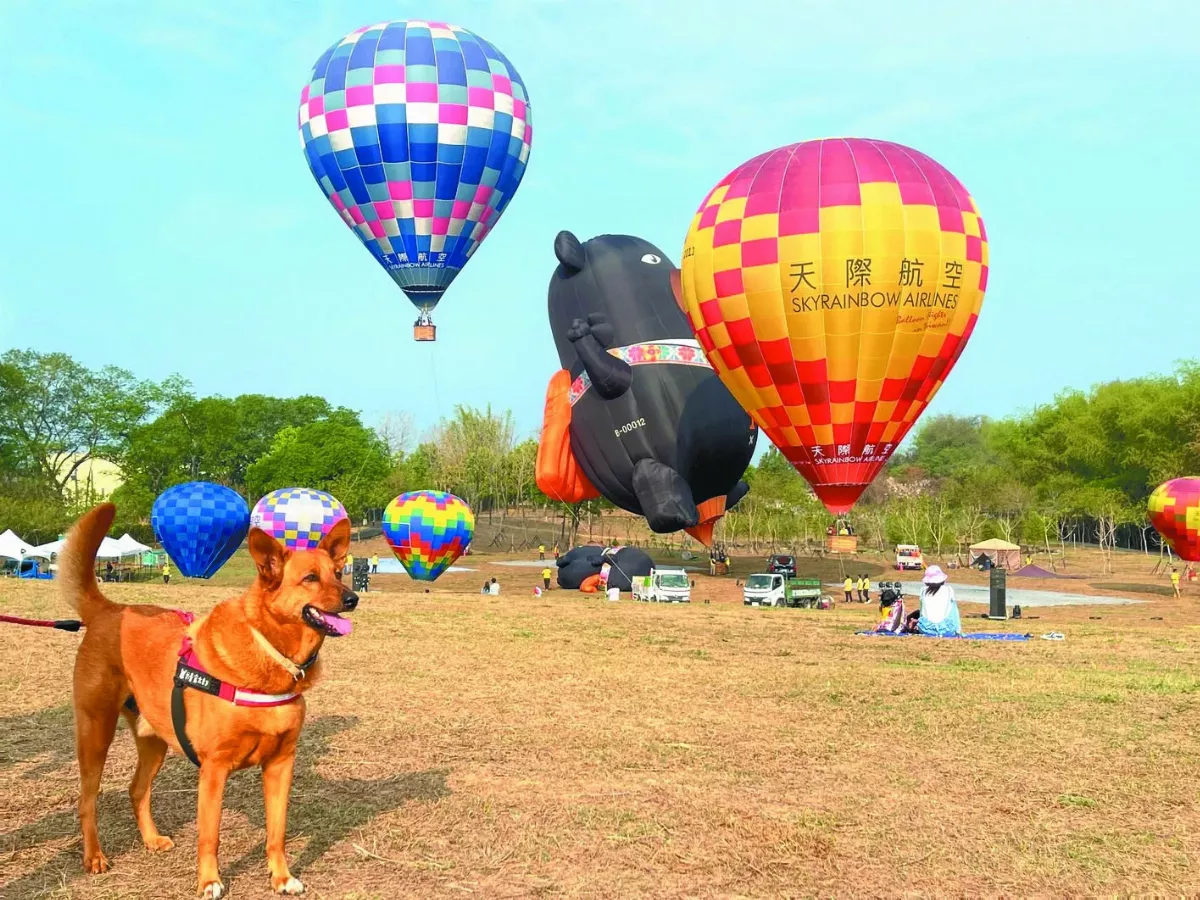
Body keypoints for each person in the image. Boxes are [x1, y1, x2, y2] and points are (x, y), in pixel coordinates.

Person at [915, 565, 962, 637]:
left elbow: (922, 612)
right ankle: (958, 630)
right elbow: (955, 613)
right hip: (946, 630)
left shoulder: (923, 590)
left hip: (926, 629)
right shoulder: (949, 589)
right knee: (952, 605)